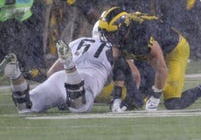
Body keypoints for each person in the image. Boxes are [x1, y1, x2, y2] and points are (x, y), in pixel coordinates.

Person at [97, 7, 201, 111]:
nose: (108, 38)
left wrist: (156, 95)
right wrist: (117, 96)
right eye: (106, 34)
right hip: (149, 55)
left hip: (175, 50)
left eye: (111, 33)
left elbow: (161, 68)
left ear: (123, 29)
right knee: (137, 98)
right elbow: (119, 66)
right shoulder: (122, 37)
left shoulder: (142, 35)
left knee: (173, 103)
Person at [0, 36, 130, 113]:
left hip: (59, 77)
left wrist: (58, 96)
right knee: (80, 107)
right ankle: (69, 65)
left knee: (26, 107)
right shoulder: (112, 48)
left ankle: (15, 73)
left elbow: (51, 72)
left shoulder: (78, 42)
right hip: (87, 77)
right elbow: (126, 71)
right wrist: (120, 97)